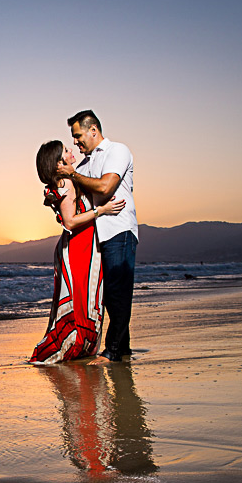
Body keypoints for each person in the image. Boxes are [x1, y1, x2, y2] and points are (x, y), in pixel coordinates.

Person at [29, 140, 125, 363]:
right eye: (65, 150)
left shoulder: (69, 180)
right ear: (58, 162)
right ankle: (76, 343)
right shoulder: (65, 183)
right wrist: (101, 210)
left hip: (82, 245)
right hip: (78, 247)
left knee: (85, 295)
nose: (71, 152)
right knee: (81, 295)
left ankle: (82, 344)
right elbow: (70, 222)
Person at [58, 110, 136, 364]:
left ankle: (112, 351)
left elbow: (105, 186)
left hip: (118, 229)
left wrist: (72, 175)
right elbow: (71, 193)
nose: (75, 142)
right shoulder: (82, 165)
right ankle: (122, 347)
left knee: (117, 291)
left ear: (94, 130)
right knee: (107, 294)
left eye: (78, 136)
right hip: (94, 238)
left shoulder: (117, 150)